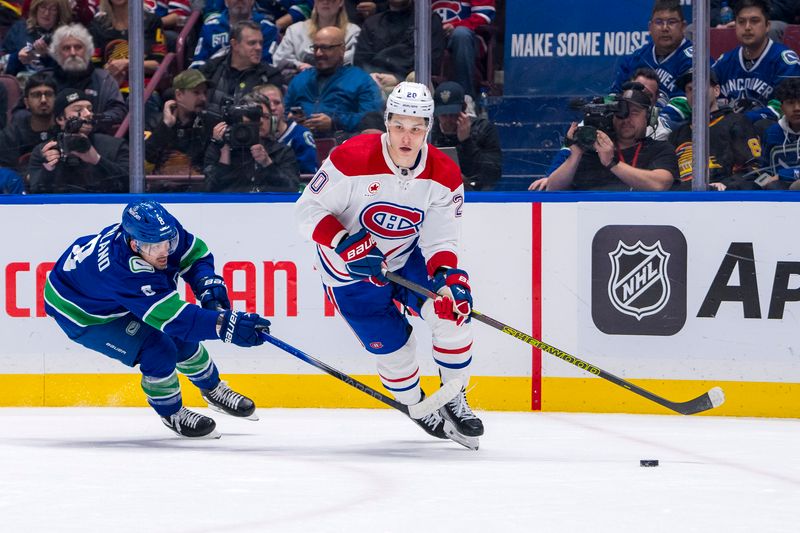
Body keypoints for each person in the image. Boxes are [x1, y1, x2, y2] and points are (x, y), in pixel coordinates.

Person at [294, 81, 484, 449]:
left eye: (416, 128)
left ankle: (454, 398)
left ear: (428, 128)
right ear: (387, 122)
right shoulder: (351, 158)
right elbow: (306, 213)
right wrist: (345, 242)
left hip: (405, 258)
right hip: (348, 275)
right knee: (396, 355)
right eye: (398, 125)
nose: (406, 137)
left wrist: (449, 279)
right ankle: (416, 404)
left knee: (453, 315)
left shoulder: (444, 173)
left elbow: (442, 240)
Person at [44, 200, 272, 438]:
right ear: (134, 245)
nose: (165, 252)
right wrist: (227, 327)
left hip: (102, 291)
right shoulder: (123, 271)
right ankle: (171, 412)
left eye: (169, 243)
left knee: (180, 341)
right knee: (158, 348)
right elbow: (177, 320)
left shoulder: (159, 233)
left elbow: (195, 255)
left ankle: (213, 389)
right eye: (156, 248)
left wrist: (208, 286)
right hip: (81, 312)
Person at [543, 84, 678, 191]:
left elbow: (659, 184)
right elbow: (553, 189)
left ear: (649, 118)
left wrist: (612, 163)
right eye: (620, 113)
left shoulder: (661, 149)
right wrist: (575, 155)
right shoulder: (593, 151)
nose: (626, 118)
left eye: (634, 113)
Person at [669, 69, 762, 190]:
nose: (695, 93)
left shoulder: (736, 123)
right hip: (684, 200)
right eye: (690, 89)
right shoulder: (677, 134)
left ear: (717, 90)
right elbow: (668, 177)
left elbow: (753, 170)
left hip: (725, 199)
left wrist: (726, 185)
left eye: (701, 87)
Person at [284, 25, 383, 135]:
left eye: (325, 48)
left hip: (343, 143)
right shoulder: (300, 79)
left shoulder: (361, 80)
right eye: (315, 48)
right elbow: (284, 112)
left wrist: (335, 122)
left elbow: (373, 120)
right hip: (301, 143)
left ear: (342, 49)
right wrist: (291, 120)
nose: (318, 53)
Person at [28, 88, 129, 193]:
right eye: (78, 110)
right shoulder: (44, 151)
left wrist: (98, 160)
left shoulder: (114, 146)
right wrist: (48, 169)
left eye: (90, 109)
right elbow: (35, 196)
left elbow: (134, 186)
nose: (87, 114)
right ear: (60, 119)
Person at [712, 0, 800, 120]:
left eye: (754, 21)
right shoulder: (725, 61)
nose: (747, 27)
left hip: (767, 133)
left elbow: (785, 108)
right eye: (741, 22)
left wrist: (742, 120)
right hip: (729, 133)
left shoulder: (784, 61)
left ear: (767, 26)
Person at [204, 91, 300, 192]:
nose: (260, 121)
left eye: (265, 116)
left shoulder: (282, 151)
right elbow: (209, 190)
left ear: (272, 121)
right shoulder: (220, 147)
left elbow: (292, 188)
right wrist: (224, 158)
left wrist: (268, 164)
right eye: (253, 117)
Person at [43, 23, 127, 131]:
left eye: (78, 47)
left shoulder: (104, 79)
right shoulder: (44, 80)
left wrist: (92, 120)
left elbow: (119, 111)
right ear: (57, 54)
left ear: (88, 51)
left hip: (96, 138)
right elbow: (24, 112)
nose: (73, 53)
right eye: (66, 48)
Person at [611, 0, 694, 106]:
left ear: (683, 26)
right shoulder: (636, 58)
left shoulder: (694, 60)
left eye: (671, 22)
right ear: (650, 27)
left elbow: (685, 104)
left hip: (675, 122)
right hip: (633, 119)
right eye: (659, 22)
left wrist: (655, 121)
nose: (665, 28)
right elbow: (614, 96)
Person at [353, 0, 444, 96]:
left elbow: (432, 63)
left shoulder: (427, 20)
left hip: (413, 87)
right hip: (376, 85)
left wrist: (398, 78)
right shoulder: (372, 23)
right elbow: (360, 60)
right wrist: (373, 77)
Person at [430, 80, 500, 191]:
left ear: (463, 108)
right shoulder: (430, 132)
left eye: (453, 114)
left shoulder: (483, 129)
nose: (448, 120)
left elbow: (493, 174)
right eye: (443, 115)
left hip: (475, 194)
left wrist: (466, 141)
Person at [200, 20, 284, 111]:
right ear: (235, 44)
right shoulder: (212, 68)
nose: (258, 48)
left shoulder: (270, 76)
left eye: (260, 43)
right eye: (252, 43)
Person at [89, 0, 166, 94]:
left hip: (145, 89)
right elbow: (95, 67)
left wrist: (128, 64)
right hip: (110, 89)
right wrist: (109, 73)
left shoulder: (152, 21)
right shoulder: (97, 25)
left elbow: (160, 65)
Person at [272, 0, 361, 79]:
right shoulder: (295, 30)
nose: (325, 2)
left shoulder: (353, 32)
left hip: (340, 84)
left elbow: (353, 61)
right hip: (301, 83)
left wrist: (315, 69)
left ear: (341, 2)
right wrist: (299, 65)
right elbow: (279, 61)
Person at [145, 69, 210, 175]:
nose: (203, 98)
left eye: (205, 93)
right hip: (161, 188)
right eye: (196, 92)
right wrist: (165, 126)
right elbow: (145, 159)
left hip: (196, 188)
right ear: (179, 95)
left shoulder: (208, 124)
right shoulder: (155, 122)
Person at [431, 0, 495, 99]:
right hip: (433, 35)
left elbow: (484, 15)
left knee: (461, 34)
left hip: (468, 37)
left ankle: (466, 98)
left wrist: (455, 26)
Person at [191, 0, 278, 69]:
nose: (239, 0)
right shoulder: (211, 27)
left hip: (252, 83)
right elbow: (198, 64)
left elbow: (267, 66)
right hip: (213, 83)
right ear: (226, 1)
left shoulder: (267, 28)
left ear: (252, 1)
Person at [0, 72, 56, 175]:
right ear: (26, 102)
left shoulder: (65, 131)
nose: (43, 100)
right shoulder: (10, 136)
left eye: (48, 94)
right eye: (36, 95)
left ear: (56, 99)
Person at [255, 83, 317, 174]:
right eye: (267, 103)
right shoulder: (251, 135)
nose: (272, 108)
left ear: (284, 106)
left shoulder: (301, 135)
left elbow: (309, 177)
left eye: (277, 103)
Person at [1, 0, 70, 76]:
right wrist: (17, 58)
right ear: (36, 8)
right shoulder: (19, 28)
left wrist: (46, 57)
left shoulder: (66, 36)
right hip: (19, 82)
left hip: (52, 84)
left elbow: (68, 74)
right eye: (43, 7)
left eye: (53, 9)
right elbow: (2, 62)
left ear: (60, 13)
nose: (46, 13)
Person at [759, 78, 800, 185]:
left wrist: (782, 175)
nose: (796, 108)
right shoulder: (772, 133)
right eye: (790, 103)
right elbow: (764, 170)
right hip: (779, 194)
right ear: (781, 108)